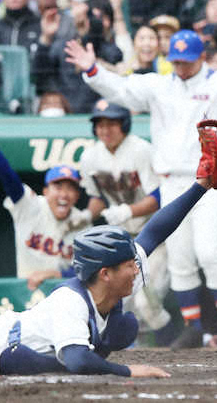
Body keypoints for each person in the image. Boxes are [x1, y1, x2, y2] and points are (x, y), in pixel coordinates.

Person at [0, 119, 217, 376]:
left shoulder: (112, 277)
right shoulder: (71, 301)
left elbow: (154, 231)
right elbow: (78, 360)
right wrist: (128, 371)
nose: (137, 265)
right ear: (105, 273)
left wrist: (201, 186)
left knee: (124, 327)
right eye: (129, 264)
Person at [65, 29, 217, 351]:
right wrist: (93, 70)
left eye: (187, 61)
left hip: (212, 178)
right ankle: (193, 327)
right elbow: (121, 89)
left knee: (210, 252)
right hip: (172, 179)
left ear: (202, 56)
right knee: (179, 257)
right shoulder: (159, 84)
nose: (181, 67)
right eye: (176, 61)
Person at [79, 100, 172, 342]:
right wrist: (87, 215)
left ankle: (170, 345)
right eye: (100, 125)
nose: (105, 130)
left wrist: (129, 211)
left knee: (147, 301)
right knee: (120, 300)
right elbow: (97, 197)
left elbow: (160, 196)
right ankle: (138, 350)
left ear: (124, 125)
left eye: (111, 124)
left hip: (154, 234)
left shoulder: (141, 150)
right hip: (121, 241)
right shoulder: (90, 157)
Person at [0, 122, 91, 289]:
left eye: (70, 188)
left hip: (67, 293)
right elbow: (9, 180)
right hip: (27, 291)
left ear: (77, 196)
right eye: (58, 187)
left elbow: (90, 270)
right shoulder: (32, 206)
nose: (64, 194)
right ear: (45, 191)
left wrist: (57, 274)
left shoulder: (82, 223)